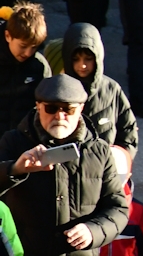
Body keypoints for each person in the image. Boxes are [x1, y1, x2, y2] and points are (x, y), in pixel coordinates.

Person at [0, 74, 129, 254]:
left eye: (68, 109)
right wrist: (15, 169)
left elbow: (117, 207)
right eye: (51, 108)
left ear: (81, 109)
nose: (60, 116)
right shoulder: (13, 142)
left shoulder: (99, 151)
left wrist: (93, 231)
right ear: (38, 106)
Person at [62, 22, 139, 160]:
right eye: (76, 59)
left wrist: (120, 160)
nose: (82, 65)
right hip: (69, 168)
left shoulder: (112, 89)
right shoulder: (60, 90)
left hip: (105, 167)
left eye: (88, 59)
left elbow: (128, 131)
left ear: (98, 57)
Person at [100, 146, 143, 256]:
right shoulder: (79, 207)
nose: (109, 183)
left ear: (128, 176)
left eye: (115, 178)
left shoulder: (137, 210)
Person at [0, 1, 50, 134]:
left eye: (34, 47)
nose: (28, 53)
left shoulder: (39, 66)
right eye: (23, 46)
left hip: (23, 137)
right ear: (8, 36)